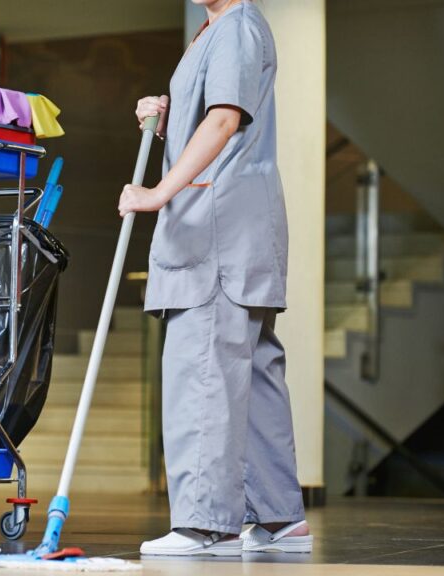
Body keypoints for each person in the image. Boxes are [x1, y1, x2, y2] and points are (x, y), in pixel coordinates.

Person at [118, 0, 312, 557]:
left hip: (220, 233)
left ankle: (208, 525)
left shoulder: (238, 27)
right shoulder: (213, 32)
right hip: (231, 229)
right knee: (251, 374)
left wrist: (157, 193)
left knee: (203, 367)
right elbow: (209, 122)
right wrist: (164, 117)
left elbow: (225, 120)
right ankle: (279, 519)